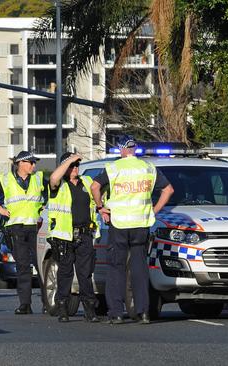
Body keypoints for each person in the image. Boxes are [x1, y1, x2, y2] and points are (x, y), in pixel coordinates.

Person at [90, 135, 174, 324]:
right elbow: (168, 190)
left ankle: (117, 313)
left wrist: (100, 206)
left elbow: (95, 186)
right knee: (139, 268)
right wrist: (154, 210)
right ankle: (143, 312)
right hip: (141, 224)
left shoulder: (113, 168)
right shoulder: (148, 167)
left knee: (116, 268)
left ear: (121, 149)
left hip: (119, 223)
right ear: (135, 149)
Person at [0, 151, 45, 315]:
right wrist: (1, 210)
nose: (34, 165)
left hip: (35, 227)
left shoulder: (38, 179)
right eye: (31, 162)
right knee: (23, 266)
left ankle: (48, 303)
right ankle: (25, 304)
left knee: (41, 265)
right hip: (16, 227)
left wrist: (45, 209)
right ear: (21, 163)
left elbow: (51, 195)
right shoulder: (6, 179)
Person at [47, 152, 100, 323]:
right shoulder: (59, 185)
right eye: (71, 166)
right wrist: (69, 160)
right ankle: (62, 307)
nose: (75, 168)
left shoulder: (86, 182)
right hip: (64, 237)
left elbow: (99, 195)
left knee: (85, 274)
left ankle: (89, 309)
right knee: (65, 273)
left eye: (77, 165)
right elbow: (54, 178)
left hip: (84, 234)